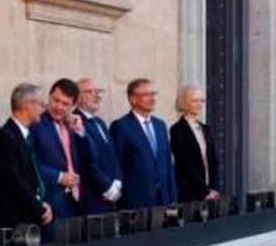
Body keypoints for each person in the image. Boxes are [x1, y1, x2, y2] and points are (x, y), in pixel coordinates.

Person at [32, 79, 97, 226]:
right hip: (50, 201)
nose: (59, 107)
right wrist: (58, 177)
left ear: (73, 105)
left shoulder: (73, 124)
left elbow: (92, 159)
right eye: (56, 100)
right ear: (49, 97)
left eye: (65, 104)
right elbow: (29, 163)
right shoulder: (36, 123)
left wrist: (81, 133)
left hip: (76, 202)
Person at [0, 84, 53, 230]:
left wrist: (42, 204)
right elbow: (13, 182)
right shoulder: (5, 137)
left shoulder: (26, 136)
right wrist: (39, 208)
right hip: (14, 222)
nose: (44, 110)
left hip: (30, 218)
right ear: (27, 105)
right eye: (41, 104)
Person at [111, 78, 176, 209]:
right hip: (136, 201)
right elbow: (116, 164)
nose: (152, 99)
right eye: (146, 95)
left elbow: (168, 162)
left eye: (153, 94)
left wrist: (172, 196)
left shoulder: (160, 125)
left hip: (163, 198)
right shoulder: (121, 126)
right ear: (132, 99)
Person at [75, 78, 123, 214]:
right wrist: (106, 187)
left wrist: (117, 182)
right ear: (77, 98)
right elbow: (86, 161)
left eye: (97, 91)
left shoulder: (100, 122)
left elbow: (113, 155)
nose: (96, 96)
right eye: (89, 92)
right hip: (93, 197)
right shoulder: (76, 122)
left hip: (112, 195)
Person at [170, 85, 221, 203]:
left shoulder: (205, 128)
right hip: (190, 193)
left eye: (202, 100)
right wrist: (204, 192)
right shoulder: (177, 130)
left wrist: (214, 188)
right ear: (185, 102)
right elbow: (186, 164)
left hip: (210, 193)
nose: (199, 104)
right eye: (195, 100)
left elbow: (213, 160)